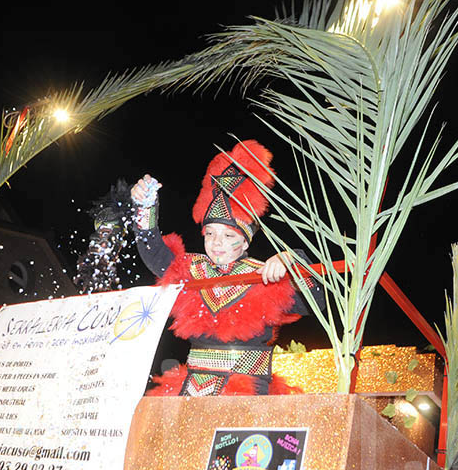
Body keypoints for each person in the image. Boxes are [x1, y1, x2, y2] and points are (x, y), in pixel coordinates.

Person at [130, 139, 324, 397]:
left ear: (245, 241)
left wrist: (292, 261)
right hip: (192, 390)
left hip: (248, 393)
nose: (216, 242)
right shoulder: (192, 269)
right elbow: (154, 253)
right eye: (210, 233)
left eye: (228, 236)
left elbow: (316, 303)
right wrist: (144, 207)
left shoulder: (263, 275)